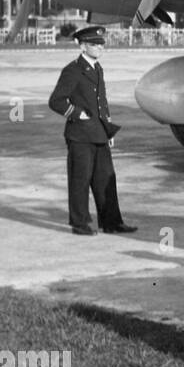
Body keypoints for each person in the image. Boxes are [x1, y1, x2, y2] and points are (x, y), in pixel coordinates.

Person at [47, 25, 137, 235]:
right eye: (94, 44)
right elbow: (56, 101)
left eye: (101, 44)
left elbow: (101, 103)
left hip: (99, 133)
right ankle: (79, 224)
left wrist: (108, 129)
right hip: (79, 135)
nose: (99, 48)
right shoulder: (73, 70)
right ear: (82, 46)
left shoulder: (97, 68)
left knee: (106, 179)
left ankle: (112, 222)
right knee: (80, 180)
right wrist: (77, 113)